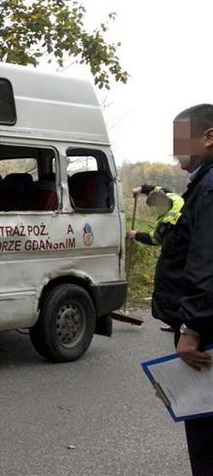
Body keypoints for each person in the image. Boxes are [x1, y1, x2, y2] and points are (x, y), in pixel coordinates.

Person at [151, 103, 213, 476]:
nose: (177, 149)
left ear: (209, 136)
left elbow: (207, 264)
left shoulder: (209, 188)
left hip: (205, 331)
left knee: (206, 434)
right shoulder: (201, 184)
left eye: (183, 138)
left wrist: (192, 328)